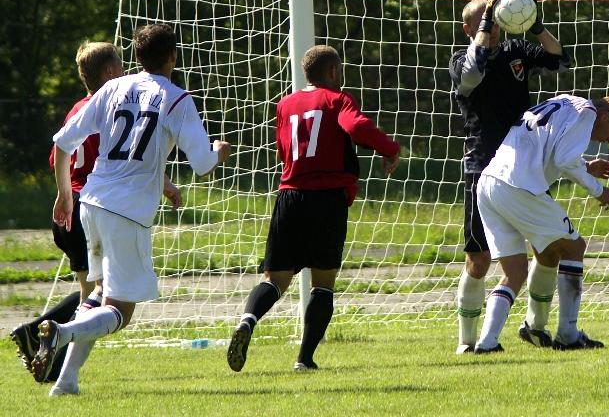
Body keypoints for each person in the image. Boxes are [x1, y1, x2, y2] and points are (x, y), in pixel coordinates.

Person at [32, 24, 231, 396]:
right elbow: (203, 164)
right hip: (127, 213)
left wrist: (64, 194)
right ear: (173, 57)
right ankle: (61, 332)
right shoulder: (177, 99)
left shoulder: (111, 88)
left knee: (99, 294)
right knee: (121, 312)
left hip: (90, 203)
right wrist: (220, 150)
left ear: (136, 58)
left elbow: (62, 144)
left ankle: (67, 381)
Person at [11, 42, 182, 378]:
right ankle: (44, 340)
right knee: (100, 298)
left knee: (92, 293)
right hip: (97, 207)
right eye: (120, 64)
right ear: (109, 72)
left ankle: (49, 353)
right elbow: (129, 155)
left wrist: (63, 194)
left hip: (71, 207)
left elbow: (61, 153)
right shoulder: (113, 107)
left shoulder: (79, 108)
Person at [226, 45, 400, 373]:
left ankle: (247, 322)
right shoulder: (338, 100)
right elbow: (357, 127)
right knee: (323, 283)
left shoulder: (285, 105)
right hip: (327, 198)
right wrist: (389, 148)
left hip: (290, 195)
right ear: (333, 72)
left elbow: (283, 151)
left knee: (275, 278)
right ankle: (304, 359)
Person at [449, 0, 573, 353]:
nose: (494, 29)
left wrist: (534, 25)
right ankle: (466, 342)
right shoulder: (462, 61)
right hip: (482, 167)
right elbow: (473, 72)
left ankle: (535, 327)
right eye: (484, 22)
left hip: (525, 168)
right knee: (479, 259)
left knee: (548, 248)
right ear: (469, 28)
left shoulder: (516, 52)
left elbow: (558, 58)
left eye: (497, 22)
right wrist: (488, 15)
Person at [473, 94, 609, 353]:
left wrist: (585, 165)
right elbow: (562, 160)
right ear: (604, 116)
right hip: (519, 186)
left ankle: (488, 342)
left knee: (519, 270)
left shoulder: (565, 102)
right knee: (574, 248)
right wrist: (597, 190)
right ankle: (568, 334)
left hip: (490, 183)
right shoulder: (588, 113)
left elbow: (551, 146)